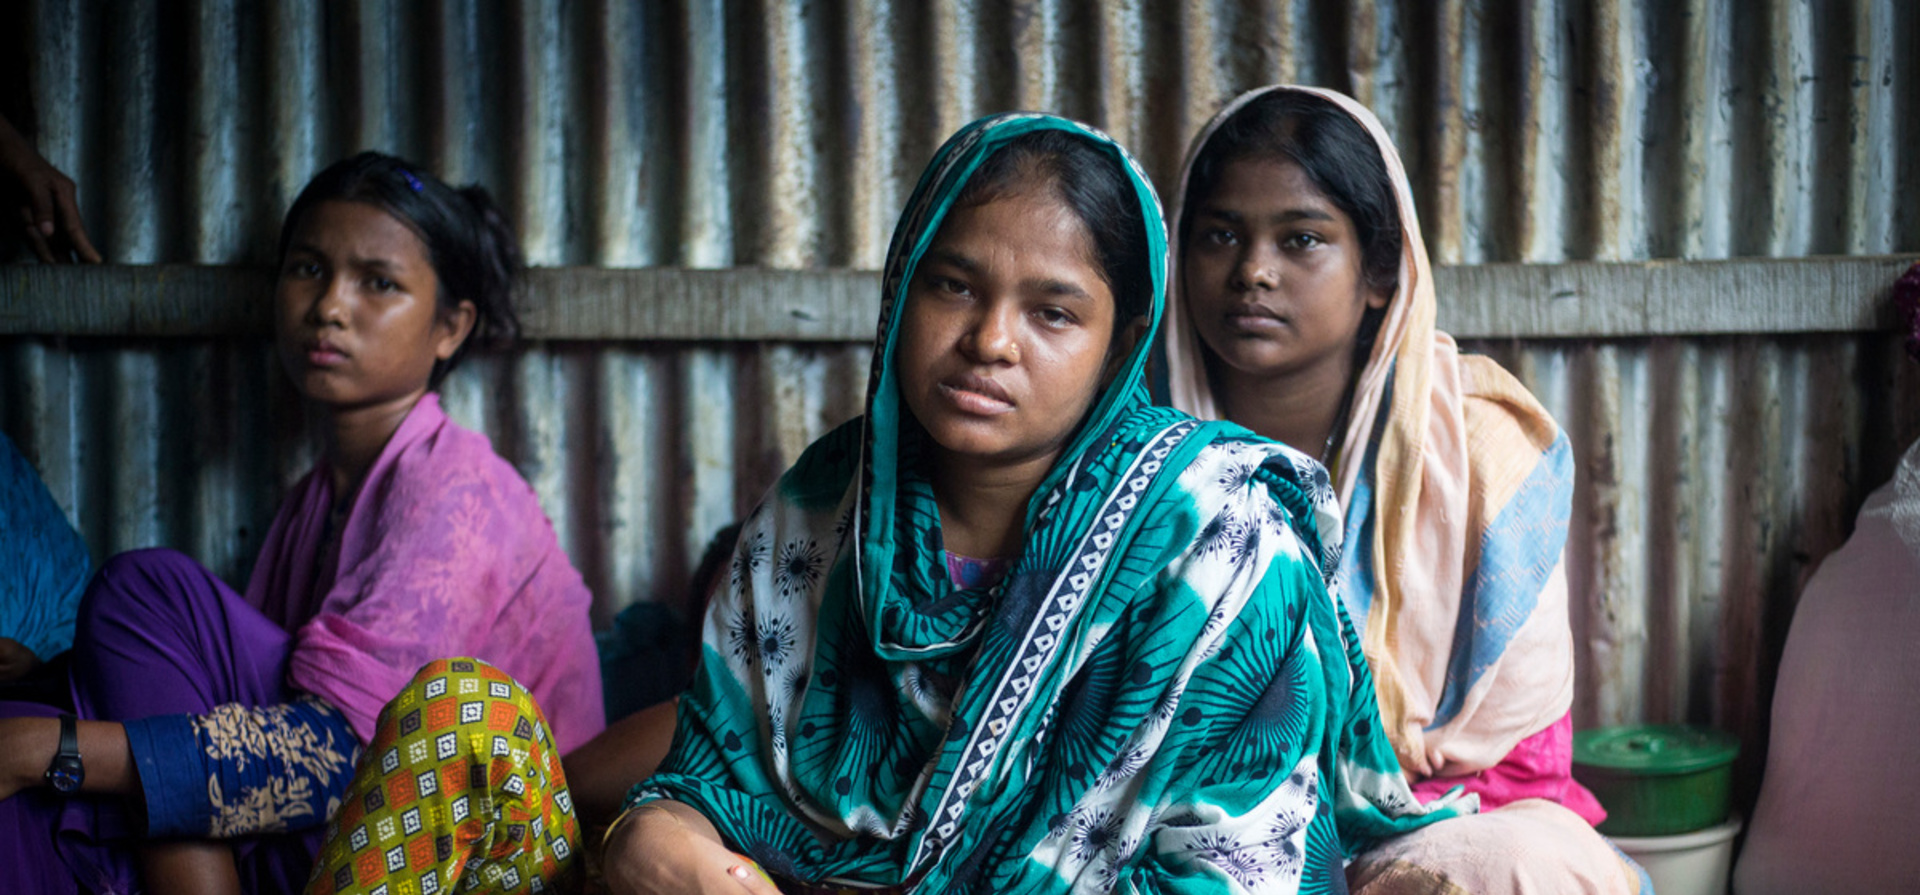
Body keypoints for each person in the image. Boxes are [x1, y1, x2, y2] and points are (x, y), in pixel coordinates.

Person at [599, 113, 1464, 895]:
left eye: (1053, 312)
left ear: (1122, 342)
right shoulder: (824, 508)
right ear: (902, 288)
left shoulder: (1221, 554)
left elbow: (1237, 871)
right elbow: (707, 772)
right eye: (954, 286)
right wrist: (652, 830)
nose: (990, 341)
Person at [0, 151, 604, 894]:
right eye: (309, 269)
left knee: (146, 591)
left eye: (378, 282)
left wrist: (53, 746)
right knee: (30, 790)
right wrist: (57, 681)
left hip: (470, 850)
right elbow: (229, 714)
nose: (330, 306)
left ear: (451, 327)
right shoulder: (313, 503)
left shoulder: (459, 494)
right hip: (340, 829)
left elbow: (330, 759)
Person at [1161, 85, 1643, 892]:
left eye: (1302, 239)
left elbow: (1519, 755)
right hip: (1181, 828)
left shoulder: (1484, 449)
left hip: (1432, 823)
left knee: (1509, 868)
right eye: (1219, 235)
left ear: (1381, 272)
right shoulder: (1125, 449)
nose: (1253, 271)